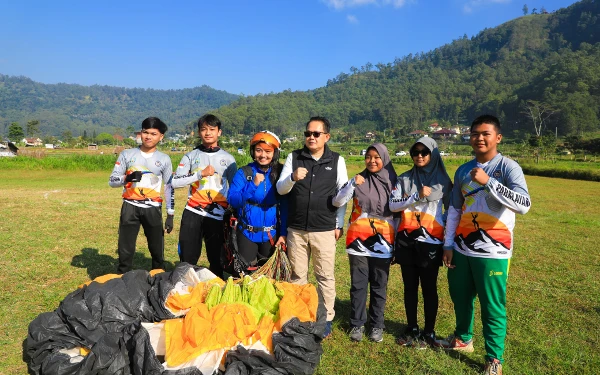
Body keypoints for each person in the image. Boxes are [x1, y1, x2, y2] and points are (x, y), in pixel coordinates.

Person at [438, 115, 531, 375]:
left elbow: (524, 205)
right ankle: (463, 339)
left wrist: (488, 182)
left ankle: (494, 359)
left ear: (497, 137)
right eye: (475, 133)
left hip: (494, 250)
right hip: (461, 248)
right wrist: (448, 243)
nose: (479, 138)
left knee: (492, 304)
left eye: (485, 133)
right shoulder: (462, 170)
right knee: (460, 297)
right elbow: (455, 209)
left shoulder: (508, 168)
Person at [276, 116, 348, 339]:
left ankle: (326, 318)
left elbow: (343, 196)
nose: (311, 137)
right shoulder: (294, 157)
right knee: (298, 275)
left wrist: (339, 224)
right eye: (308, 133)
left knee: (325, 276)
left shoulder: (337, 160)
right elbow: (280, 189)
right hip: (296, 229)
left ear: (326, 136)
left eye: (316, 134)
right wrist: (292, 178)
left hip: (324, 228)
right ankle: (301, 315)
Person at [389, 137, 452, 348]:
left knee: (429, 288)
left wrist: (448, 244)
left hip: (431, 243)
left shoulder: (444, 183)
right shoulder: (404, 179)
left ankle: (429, 332)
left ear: (433, 154)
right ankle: (412, 328)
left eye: (424, 152)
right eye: (415, 152)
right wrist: (416, 196)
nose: (419, 156)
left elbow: (453, 213)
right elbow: (393, 204)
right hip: (407, 241)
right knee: (409, 287)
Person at [333, 143, 397, 343]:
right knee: (358, 284)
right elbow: (337, 201)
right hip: (358, 240)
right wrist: (352, 184)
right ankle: (357, 323)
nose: (372, 161)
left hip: (384, 240)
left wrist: (396, 244)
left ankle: (377, 325)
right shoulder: (358, 179)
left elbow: (399, 215)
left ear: (384, 158)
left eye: (377, 157)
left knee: (379, 284)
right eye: (368, 157)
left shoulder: (394, 182)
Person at [171, 114, 237, 279]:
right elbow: (175, 182)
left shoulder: (229, 159)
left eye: (212, 129)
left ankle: (217, 288)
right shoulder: (190, 156)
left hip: (217, 214)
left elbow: (235, 187)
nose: (208, 133)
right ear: (199, 133)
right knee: (188, 255)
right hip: (193, 211)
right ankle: (186, 286)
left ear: (219, 132)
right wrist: (200, 174)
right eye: (203, 129)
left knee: (216, 257)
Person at [109, 117, 175, 274]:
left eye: (153, 133)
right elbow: (112, 180)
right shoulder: (127, 154)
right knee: (125, 248)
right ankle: (122, 278)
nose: (148, 136)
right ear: (141, 133)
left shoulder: (164, 159)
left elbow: (168, 187)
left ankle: (158, 277)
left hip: (152, 208)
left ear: (161, 137)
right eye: (145, 132)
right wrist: (126, 178)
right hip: (130, 206)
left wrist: (170, 214)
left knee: (156, 248)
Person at [227, 130, 287, 274]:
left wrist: (283, 233)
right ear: (253, 151)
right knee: (245, 275)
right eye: (259, 150)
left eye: (268, 151)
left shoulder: (281, 173)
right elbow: (232, 200)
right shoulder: (244, 173)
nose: (263, 155)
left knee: (269, 275)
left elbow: (286, 206)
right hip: (246, 232)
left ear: (275, 153)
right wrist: (252, 185)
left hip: (271, 234)